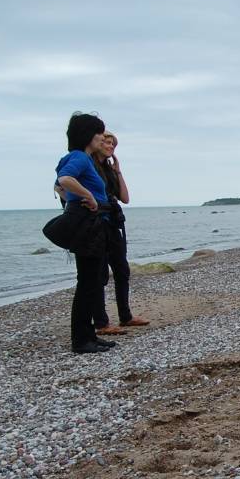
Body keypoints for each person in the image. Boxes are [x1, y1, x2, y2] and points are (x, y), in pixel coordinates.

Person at [55, 112, 116, 355]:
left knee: (92, 281)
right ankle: (81, 340)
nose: (103, 137)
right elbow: (64, 179)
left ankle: (89, 334)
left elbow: (58, 187)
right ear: (88, 135)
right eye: (99, 133)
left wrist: (73, 198)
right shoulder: (79, 157)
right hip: (88, 224)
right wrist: (87, 197)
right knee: (88, 282)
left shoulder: (83, 158)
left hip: (91, 221)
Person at [92, 132, 149, 334]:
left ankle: (126, 316)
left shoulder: (109, 170)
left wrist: (118, 171)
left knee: (122, 270)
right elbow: (61, 185)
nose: (110, 147)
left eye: (113, 145)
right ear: (96, 143)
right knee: (99, 275)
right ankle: (101, 322)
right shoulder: (88, 166)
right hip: (96, 226)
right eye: (107, 143)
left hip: (113, 224)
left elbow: (125, 198)